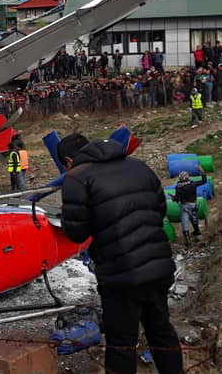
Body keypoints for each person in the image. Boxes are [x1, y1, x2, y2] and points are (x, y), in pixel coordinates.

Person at [59, 133, 182, 374]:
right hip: (158, 266)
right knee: (162, 332)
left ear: (68, 160)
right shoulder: (138, 167)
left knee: (121, 344)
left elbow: (76, 233)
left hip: (120, 275)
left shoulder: (77, 178)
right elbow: (160, 208)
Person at [172, 170, 205, 244]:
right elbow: (203, 181)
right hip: (193, 204)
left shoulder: (178, 187)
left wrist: (174, 198)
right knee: (194, 218)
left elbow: (178, 199)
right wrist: (203, 174)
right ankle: (197, 233)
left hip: (184, 205)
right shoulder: (193, 184)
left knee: (184, 220)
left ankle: (187, 238)